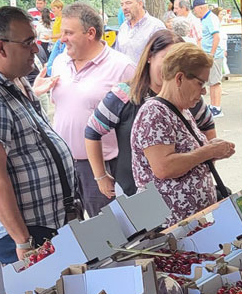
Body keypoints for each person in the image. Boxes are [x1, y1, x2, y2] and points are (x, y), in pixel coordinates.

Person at [0, 6, 79, 265]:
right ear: (1, 48)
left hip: (45, 227)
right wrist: (23, 240)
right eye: (28, 43)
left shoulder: (13, 83)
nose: (36, 49)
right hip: (21, 237)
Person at [85, 30, 216, 199]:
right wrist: (100, 176)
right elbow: (92, 131)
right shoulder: (125, 94)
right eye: (167, 58)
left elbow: (207, 126)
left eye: (179, 61)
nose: (173, 66)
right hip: (138, 194)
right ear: (149, 56)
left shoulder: (192, 97)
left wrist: (208, 160)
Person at [38, 2, 135, 217]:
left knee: (111, 235)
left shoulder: (122, 67)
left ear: (91, 33)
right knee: (74, 235)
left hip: (103, 169)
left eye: (68, 32)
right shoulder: (61, 62)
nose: (61, 39)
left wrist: (104, 174)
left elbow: (135, 124)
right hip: (64, 166)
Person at [130, 43, 235, 225]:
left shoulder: (181, 110)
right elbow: (164, 168)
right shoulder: (154, 113)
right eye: (200, 83)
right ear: (179, 78)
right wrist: (209, 151)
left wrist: (212, 150)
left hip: (190, 224)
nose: (203, 91)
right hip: (170, 228)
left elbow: (188, 160)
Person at [193, 0, 226, 118]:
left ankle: (216, 108)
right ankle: (213, 106)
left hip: (214, 56)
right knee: (211, 81)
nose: (194, 12)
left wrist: (211, 54)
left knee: (214, 82)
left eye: (195, 9)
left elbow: (216, 37)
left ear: (201, 7)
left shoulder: (211, 18)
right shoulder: (204, 19)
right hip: (208, 54)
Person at [115, 0, 166, 65]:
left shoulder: (156, 27)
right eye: (122, 4)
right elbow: (117, 55)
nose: (124, 8)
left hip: (146, 76)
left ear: (140, 3)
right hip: (124, 76)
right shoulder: (123, 28)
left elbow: (163, 58)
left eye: (128, 3)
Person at [45, 0, 67, 76]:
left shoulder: (63, 19)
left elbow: (62, 33)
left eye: (54, 8)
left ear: (59, 8)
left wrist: (50, 37)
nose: (52, 10)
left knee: (53, 64)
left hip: (60, 44)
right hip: (54, 43)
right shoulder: (56, 18)